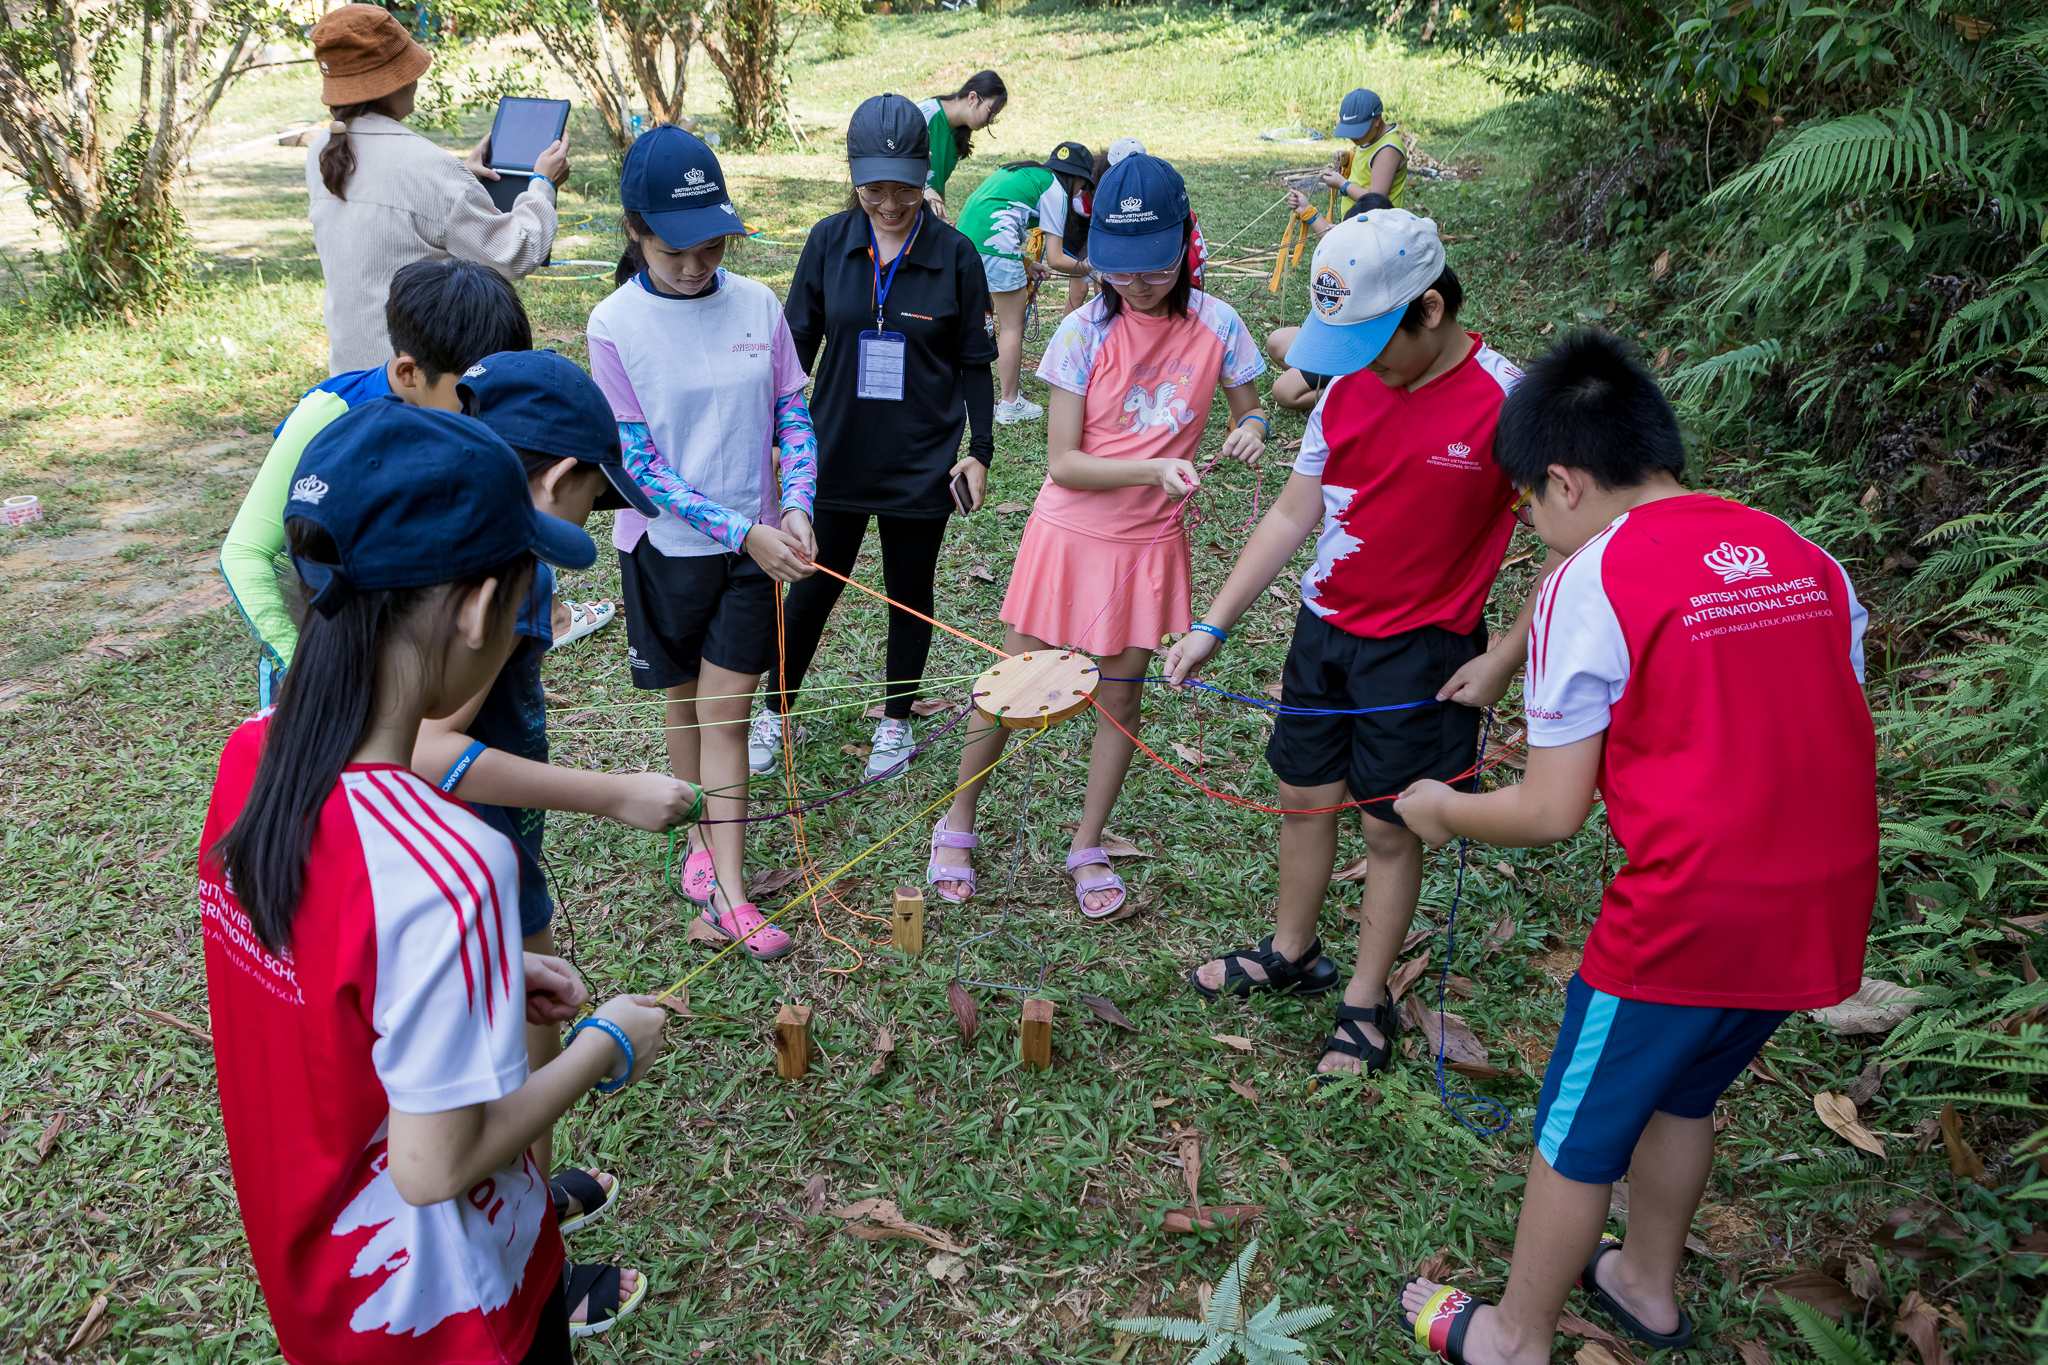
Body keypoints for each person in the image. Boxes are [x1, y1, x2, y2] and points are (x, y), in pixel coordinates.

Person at [1391, 331, 1877, 1365]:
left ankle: (1515, 1335)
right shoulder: (1801, 553)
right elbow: (1771, 715)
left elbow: (1546, 813)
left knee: (1576, 1130)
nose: (1528, 530)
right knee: (1682, 1092)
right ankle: (1643, 1284)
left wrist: (1438, 809)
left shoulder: (1592, 578)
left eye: (1523, 506)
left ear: (1561, 482)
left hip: (1686, 916)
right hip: (1817, 909)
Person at [198, 400, 665, 1360]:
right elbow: (434, 1164)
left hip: (316, 1279)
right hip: (451, 1313)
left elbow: (334, 977)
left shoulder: (250, 756)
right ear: (479, 606)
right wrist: (604, 1045)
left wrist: (480, 985)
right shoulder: (455, 864)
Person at [1165, 210, 1538, 1078]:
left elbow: (1572, 548)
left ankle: (1366, 999)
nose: (1360, 361)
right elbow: (1298, 509)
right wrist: (1215, 622)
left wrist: (1505, 656)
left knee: (1389, 827)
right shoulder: (1347, 380)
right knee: (1303, 793)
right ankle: (1292, 949)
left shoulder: (1506, 403)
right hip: (1323, 630)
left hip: (1424, 656)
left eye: (1376, 340)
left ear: (1432, 312)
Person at [929, 155, 1266, 917]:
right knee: (1010, 689)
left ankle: (1088, 840)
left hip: (1147, 544)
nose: (1136, 285)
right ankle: (958, 823)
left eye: (1151, 270)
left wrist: (1251, 425)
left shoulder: (1219, 325)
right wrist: (1154, 467)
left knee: (1121, 696)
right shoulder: (1084, 329)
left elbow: (1253, 406)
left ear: (1185, 246)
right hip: (1070, 533)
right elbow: (1065, 462)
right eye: (1119, 270)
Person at [410, 350, 700, 1239]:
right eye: (592, 501)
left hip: (481, 850)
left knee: (516, 1028)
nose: (589, 526)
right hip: (468, 853)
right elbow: (426, 749)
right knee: (510, 1057)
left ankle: (523, 1194)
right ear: (560, 480)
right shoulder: (515, 572)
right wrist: (613, 794)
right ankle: (525, 1241)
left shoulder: (432, 525)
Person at [587, 125, 818, 960]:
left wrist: (795, 506)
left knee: (725, 714)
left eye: (711, 243)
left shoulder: (757, 303)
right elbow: (639, 466)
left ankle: (730, 887)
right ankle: (696, 844)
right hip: (664, 551)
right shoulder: (613, 324)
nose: (695, 263)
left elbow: (794, 410)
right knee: (683, 703)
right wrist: (744, 529)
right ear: (635, 231)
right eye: (674, 246)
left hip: (753, 555)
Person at [752, 95, 998, 781]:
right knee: (813, 586)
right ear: (854, 177)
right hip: (834, 450)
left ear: (925, 174)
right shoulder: (830, 241)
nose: (890, 203)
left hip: (920, 459)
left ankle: (895, 724)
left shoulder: (955, 255)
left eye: (904, 187)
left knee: (908, 592)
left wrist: (979, 452)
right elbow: (795, 344)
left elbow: (976, 365)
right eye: (875, 188)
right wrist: (777, 432)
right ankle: (774, 709)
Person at [219, 260, 537, 705]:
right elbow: (245, 552)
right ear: (409, 373)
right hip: (328, 670)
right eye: (469, 396)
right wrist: (302, 665)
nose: (486, 412)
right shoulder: (330, 414)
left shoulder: (475, 421)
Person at [306, 4, 566, 373]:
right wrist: (543, 184)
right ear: (395, 81)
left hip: (352, 369)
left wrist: (465, 179)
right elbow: (516, 254)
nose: (416, 80)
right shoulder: (427, 167)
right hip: (420, 380)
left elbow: (394, 217)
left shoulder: (324, 149)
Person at [1266, 86, 1412, 411]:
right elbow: (1334, 236)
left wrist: (1341, 185)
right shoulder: (1369, 144)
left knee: (1284, 392)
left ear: (1378, 120)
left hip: (1353, 338)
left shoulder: (1370, 248)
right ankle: (1347, 376)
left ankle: (1359, 387)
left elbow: (1376, 196)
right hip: (1353, 236)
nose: (1355, 140)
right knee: (1277, 344)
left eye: (1359, 133)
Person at [954, 140, 1098, 423]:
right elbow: (1057, 259)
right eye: (1083, 186)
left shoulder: (1025, 172)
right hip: (995, 248)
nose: (1081, 192)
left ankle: (955, 391)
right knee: (1010, 326)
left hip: (964, 243)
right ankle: (1009, 403)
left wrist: (1027, 264)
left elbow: (996, 214)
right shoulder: (1056, 191)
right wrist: (1091, 269)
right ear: (1076, 178)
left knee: (965, 320)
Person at [1105, 138, 1207, 293]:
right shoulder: (1155, 181)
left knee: (1186, 304)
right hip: (1178, 257)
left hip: (1174, 261)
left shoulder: (1149, 195)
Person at [918, 71, 1007, 218]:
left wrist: (942, 220)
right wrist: (923, 189)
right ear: (972, 97)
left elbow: (937, 184)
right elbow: (894, 163)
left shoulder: (959, 133)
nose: (991, 120)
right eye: (991, 112)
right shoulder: (924, 115)